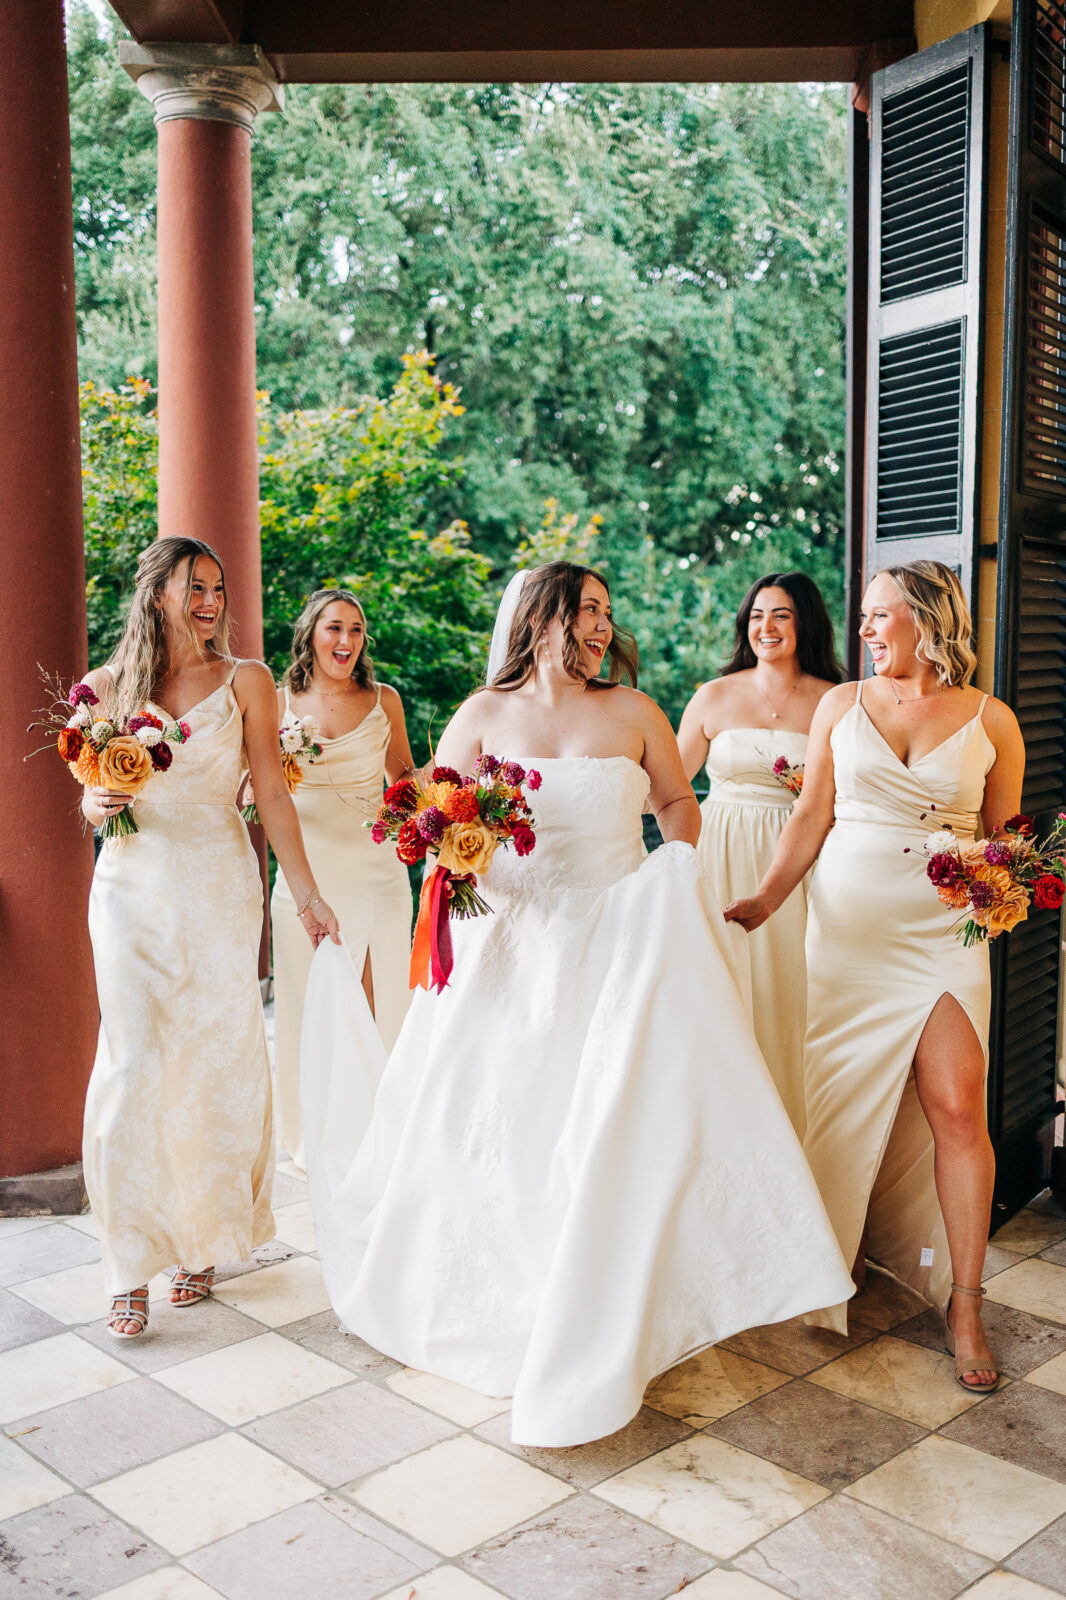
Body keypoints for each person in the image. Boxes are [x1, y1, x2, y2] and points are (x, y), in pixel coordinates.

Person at [300, 561, 854, 1448]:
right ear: (542, 615)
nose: (602, 626)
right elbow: (430, 821)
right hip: (508, 948)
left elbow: (678, 801)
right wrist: (453, 848)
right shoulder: (482, 715)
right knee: (496, 1121)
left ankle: (613, 1293)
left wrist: (676, 858)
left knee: (609, 1119)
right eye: (587, 610)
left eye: (606, 611)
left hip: (612, 936)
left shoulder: (634, 714)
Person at [725, 560, 1024, 1393]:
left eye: (877, 615)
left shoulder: (991, 718)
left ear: (925, 620)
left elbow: (1005, 842)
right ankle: (826, 1257)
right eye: (862, 616)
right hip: (847, 939)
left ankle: (965, 1304)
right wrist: (763, 898)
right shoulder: (838, 707)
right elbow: (810, 817)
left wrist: (1005, 885)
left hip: (941, 941)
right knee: (840, 1100)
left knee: (959, 1106)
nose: (863, 629)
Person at [79, 537, 339, 1339]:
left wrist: (306, 894)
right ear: (156, 591)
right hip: (131, 887)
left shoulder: (247, 680)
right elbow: (93, 800)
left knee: (211, 1057)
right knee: (130, 1063)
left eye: (218, 589)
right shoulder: (105, 689)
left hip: (221, 887)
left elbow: (270, 790)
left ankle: (201, 1238)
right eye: (195, 587)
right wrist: (96, 807)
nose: (210, 602)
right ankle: (127, 1264)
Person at [677, 572, 842, 1132]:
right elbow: (670, 788)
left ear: (806, 623)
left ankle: (797, 1131)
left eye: (781, 615)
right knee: (726, 987)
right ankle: (727, 1127)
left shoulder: (834, 701)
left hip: (803, 863)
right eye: (756, 616)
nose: (765, 628)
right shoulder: (713, 696)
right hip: (721, 851)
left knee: (795, 992)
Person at [269, 588, 415, 1169]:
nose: (346, 641)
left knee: (381, 1000)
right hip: (305, 877)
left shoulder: (384, 701)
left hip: (376, 870)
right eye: (334, 628)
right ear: (310, 633)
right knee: (309, 1006)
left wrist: (445, 798)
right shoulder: (276, 702)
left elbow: (403, 779)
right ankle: (314, 1135)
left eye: (356, 630)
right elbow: (253, 788)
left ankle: (382, 1128)